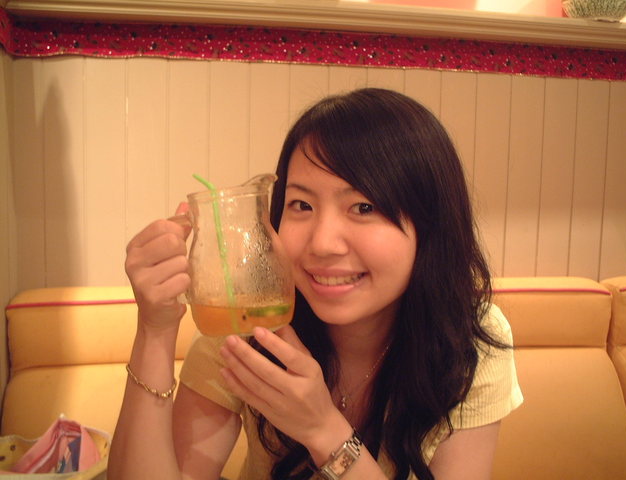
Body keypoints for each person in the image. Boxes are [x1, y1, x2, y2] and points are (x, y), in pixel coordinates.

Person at [108, 88, 523, 480]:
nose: (322, 244)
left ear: (430, 225)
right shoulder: (250, 328)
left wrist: (323, 429)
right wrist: (155, 330)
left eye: (364, 207)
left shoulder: (467, 344)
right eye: (302, 205)